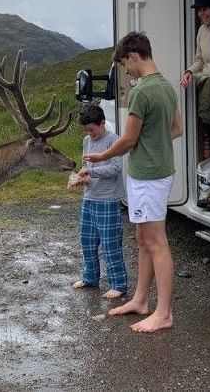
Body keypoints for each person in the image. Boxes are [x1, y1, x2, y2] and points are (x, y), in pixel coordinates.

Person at [84, 31, 183, 333]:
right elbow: (176, 129)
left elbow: (127, 140)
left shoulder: (142, 92)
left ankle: (163, 312)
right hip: (153, 172)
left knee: (156, 242)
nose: (125, 71)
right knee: (143, 240)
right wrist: (152, 141)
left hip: (149, 176)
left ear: (133, 56)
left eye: (124, 65)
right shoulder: (167, 87)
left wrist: (101, 157)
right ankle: (141, 300)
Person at [70, 104, 127, 299]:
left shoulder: (114, 140)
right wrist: (83, 179)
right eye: (86, 130)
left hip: (108, 200)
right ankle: (90, 277)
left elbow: (116, 168)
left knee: (110, 244)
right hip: (89, 197)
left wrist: (91, 172)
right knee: (87, 241)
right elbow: (86, 166)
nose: (89, 133)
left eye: (92, 129)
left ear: (102, 123)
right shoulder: (87, 141)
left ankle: (118, 284)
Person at [179, 0, 210, 214]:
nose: (200, 14)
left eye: (204, 9)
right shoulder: (202, 31)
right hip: (208, 88)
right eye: (199, 11)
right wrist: (189, 72)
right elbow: (199, 60)